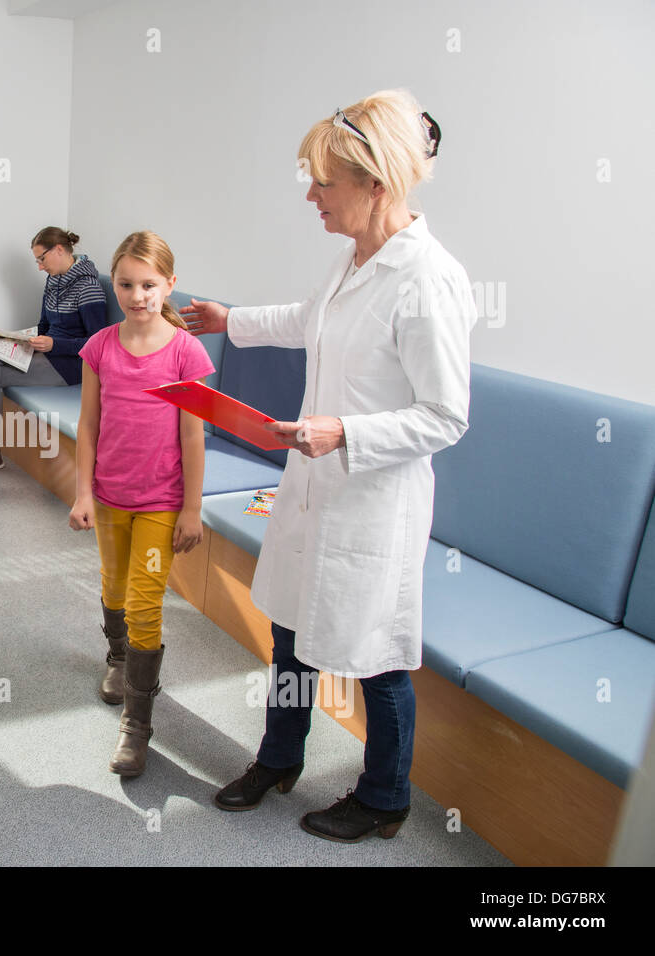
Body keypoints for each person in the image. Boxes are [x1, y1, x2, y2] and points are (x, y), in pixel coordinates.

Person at [181, 90, 474, 842]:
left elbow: (446, 416)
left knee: (376, 656)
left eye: (324, 182)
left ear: (377, 183)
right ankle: (279, 757)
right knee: (288, 630)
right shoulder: (355, 258)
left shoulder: (427, 278)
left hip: (373, 501)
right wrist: (229, 319)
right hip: (312, 488)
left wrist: (344, 432)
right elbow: (308, 319)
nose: (311, 195)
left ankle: (384, 798)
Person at [68, 232, 214, 777]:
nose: (137, 295)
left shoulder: (185, 351)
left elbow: (194, 438)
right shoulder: (100, 346)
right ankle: (117, 656)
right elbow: (88, 424)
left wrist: (192, 509)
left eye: (149, 284)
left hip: (161, 502)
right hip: (109, 495)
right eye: (126, 284)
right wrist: (83, 491)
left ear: (169, 285)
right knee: (112, 584)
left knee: (145, 603)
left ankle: (137, 726)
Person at [0, 227, 108, 473]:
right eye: (37, 261)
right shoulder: (53, 280)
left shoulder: (89, 288)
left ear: (58, 250)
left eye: (42, 259)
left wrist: (54, 344)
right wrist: (21, 340)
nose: (40, 267)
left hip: (70, 367)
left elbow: (98, 344)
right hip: (47, 355)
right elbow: (44, 325)